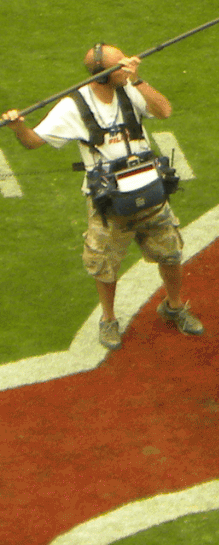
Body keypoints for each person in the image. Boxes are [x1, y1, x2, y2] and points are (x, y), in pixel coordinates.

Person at [4, 45, 198, 349]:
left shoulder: (131, 88)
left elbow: (165, 111)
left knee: (172, 254)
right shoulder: (73, 107)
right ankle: (108, 319)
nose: (130, 64)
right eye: (121, 65)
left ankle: (174, 307)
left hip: (150, 190)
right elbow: (32, 142)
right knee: (105, 264)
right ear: (103, 75)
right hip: (109, 202)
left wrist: (136, 80)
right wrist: (19, 127)